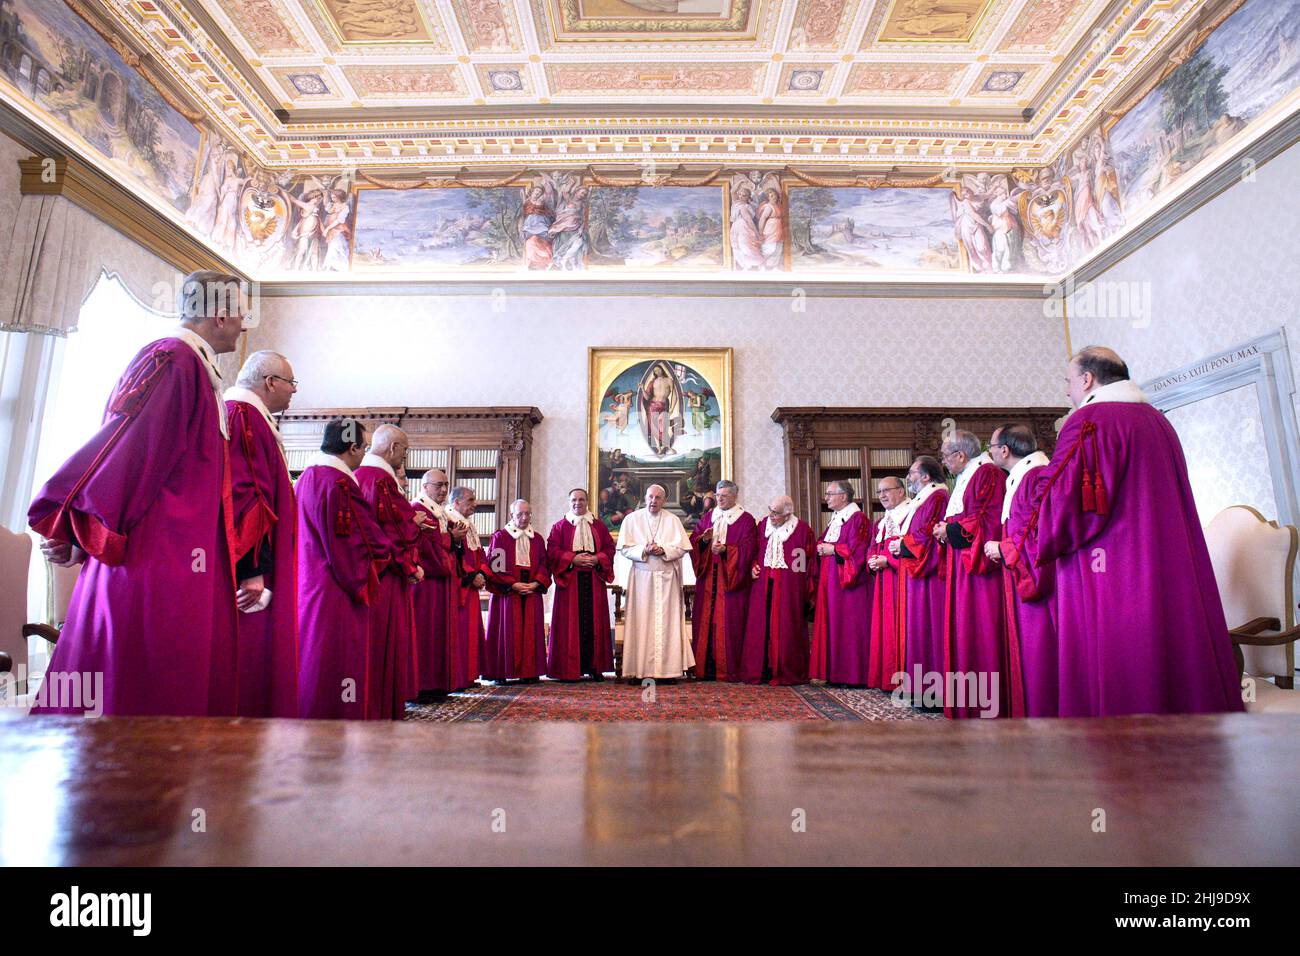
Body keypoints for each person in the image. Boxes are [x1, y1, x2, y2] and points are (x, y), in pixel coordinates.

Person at [28, 270, 249, 716]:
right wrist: (82, 529)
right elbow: (128, 450)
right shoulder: (173, 360)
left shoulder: (192, 365)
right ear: (221, 313)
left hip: (177, 554)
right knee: (138, 690)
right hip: (154, 557)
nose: (245, 324)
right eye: (242, 313)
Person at [1024, 347, 1242, 716]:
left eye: (1068, 381)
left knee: (1122, 659)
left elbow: (1065, 504)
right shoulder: (1156, 419)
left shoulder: (1090, 420)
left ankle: (1120, 749)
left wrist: (1033, 535)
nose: (1067, 391)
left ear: (1088, 379)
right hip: (1169, 562)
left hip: (1112, 569)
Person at [297, 419, 391, 719]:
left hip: (307, 581)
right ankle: (337, 722)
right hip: (335, 588)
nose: (365, 455)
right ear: (352, 448)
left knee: (312, 656)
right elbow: (356, 544)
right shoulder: (338, 484)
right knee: (337, 658)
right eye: (364, 448)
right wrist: (382, 555)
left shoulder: (307, 476)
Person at [224, 349, 298, 717]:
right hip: (251, 569)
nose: (294, 391)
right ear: (270, 383)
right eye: (291, 383)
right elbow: (246, 495)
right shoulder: (244, 416)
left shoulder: (254, 417)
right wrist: (253, 569)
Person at [935, 430, 1007, 719]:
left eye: (945, 456)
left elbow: (987, 521)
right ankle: (966, 700)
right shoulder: (969, 476)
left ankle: (983, 703)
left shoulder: (986, 475)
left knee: (979, 631)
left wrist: (949, 530)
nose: (944, 462)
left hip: (978, 572)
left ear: (960, 456)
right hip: (962, 565)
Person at [355, 425, 425, 720]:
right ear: (393, 448)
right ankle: (382, 708)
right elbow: (394, 531)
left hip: (371, 572)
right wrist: (411, 564)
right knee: (384, 646)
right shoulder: (382, 480)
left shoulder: (359, 475)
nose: (405, 458)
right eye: (405, 451)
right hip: (386, 577)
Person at [985, 423, 1053, 717]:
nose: (989, 453)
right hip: (1017, 568)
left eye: (991, 447)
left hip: (1034, 578)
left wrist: (1003, 548)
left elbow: (1037, 533)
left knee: (1039, 650)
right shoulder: (1020, 476)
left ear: (1005, 450)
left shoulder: (1033, 476)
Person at [617, 485, 694, 682]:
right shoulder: (632, 519)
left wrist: (663, 549)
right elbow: (625, 548)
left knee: (667, 623)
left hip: (667, 578)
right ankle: (639, 670)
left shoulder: (673, 520)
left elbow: (682, 547)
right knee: (640, 623)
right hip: (642, 579)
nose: (654, 501)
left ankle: (668, 671)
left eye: (658, 498)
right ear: (645, 497)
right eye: (650, 497)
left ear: (664, 500)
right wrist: (644, 549)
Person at [739, 495, 815, 685]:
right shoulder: (763, 525)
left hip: (788, 587)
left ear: (788, 514)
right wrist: (754, 565)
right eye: (770, 510)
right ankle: (760, 669)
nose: (771, 516)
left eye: (776, 513)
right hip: (762, 584)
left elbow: (804, 563)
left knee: (786, 626)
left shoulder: (802, 530)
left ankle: (784, 670)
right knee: (760, 626)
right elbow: (755, 550)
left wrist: (799, 588)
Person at [890, 456, 949, 702]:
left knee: (927, 629)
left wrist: (903, 544)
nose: (909, 478)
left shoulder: (937, 498)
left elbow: (926, 536)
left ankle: (932, 692)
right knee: (916, 629)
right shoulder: (925, 498)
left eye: (912, 473)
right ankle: (918, 688)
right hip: (916, 573)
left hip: (928, 576)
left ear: (926, 476)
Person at [688, 480, 757, 681]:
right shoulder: (709, 517)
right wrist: (704, 541)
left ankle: (728, 670)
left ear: (735, 496)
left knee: (730, 623)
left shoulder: (745, 520)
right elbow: (694, 541)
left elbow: (749, 548)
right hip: (708, 578)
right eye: (717, 495)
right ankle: (704, 668)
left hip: (731, 581)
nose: (719, 499)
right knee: (704, 620)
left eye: (724, 496)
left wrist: (727, 550)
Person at [546, 488, 615, 681]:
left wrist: (597, 558)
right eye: (574, 500)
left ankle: (595, 667)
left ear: (587, 502)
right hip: (570, 581)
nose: (578, 503)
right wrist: (572, 559)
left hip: (593, 580)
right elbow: (552, 551)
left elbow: (610, 549)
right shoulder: (559, 527)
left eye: (582, 500)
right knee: (570, 624)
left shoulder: (599, 526)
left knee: (594, 622)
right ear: (569, 502)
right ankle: (569, 669)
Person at [810, 480, 872, 686]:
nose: (826, 497)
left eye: (830, 494)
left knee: (849, 627)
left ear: (844, 496)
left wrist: (833, 550)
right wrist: (821, 547)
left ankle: (853, 675)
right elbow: (825, 540)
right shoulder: (836, 519)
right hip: (831, 583)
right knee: (833, 625)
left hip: (848, 586)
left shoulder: (858, 519)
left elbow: (859, 551)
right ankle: (835, 673)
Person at [483, 500, 551, 683]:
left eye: (527, 514)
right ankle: (501, 672)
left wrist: (536, 583)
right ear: (511, 515)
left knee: (530, 632)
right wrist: (513, 584)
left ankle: (529, 672)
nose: (524, 518)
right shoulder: (500, 537)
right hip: (508, 592)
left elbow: (545, 565)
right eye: (519, 514)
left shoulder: (537, 539)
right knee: (506, 631)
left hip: (531, 590)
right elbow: (496, 567)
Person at [412, 468, 459, 697]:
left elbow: (441, 542)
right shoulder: (417, 510)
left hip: (441, 581)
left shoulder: (440, 513)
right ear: (424, 487)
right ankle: (423, 686)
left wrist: (451, 539)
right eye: (438, 485)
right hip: (426, 583)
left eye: (446, 485)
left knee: (440, 632)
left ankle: (439, 684)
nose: (443, 490)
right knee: (426, 632)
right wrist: (451, 538)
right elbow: (425, 546)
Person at [866, 477, 910, 691]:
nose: (882, 495)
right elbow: (873, 548)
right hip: (883, 582)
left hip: (901, 581)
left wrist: (888, 561)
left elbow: (914, 548)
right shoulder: (881, 522)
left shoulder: (909, 514)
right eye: (879, 491)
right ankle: (886, 678)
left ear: (901, 491)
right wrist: (872, 560)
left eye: (886, 490)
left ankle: (900, 680)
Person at [445, 486, 487, 689]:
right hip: (458, 586)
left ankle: (468, 676)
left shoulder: (469, 524)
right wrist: (472, 576)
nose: (474, 504)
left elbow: (480, 554)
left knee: (470, 633)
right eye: (470, 500)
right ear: (456, 503)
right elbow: (454, 557)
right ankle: (457, 678)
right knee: (459, 632)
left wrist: (482, 574)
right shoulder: (449, 521)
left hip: (471, 586)